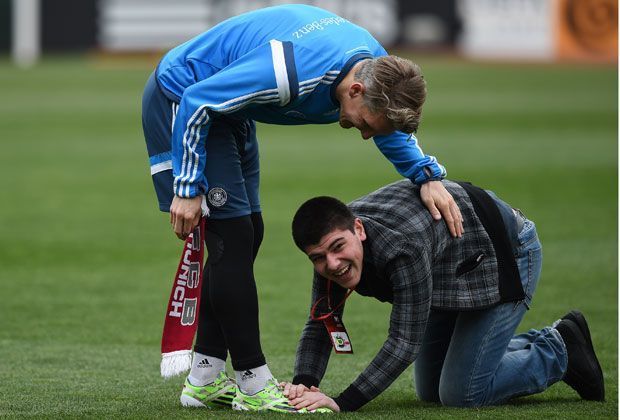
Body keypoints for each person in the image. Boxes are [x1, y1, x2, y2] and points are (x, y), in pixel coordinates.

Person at [141, 4, 463, 412]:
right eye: (366, 124)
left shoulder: (378, 69)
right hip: (184, 99)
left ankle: (203, 378)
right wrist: (187, 187)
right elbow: (198, 100)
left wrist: (427, 175)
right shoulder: (289, 72)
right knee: (232, 239)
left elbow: (389, 130)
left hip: (230, 107)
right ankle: (253, 383)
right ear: (356, 91)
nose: (366, 137)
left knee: (249, 231)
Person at [285, 179, 605, 412]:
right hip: (449, 267)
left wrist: (342, 403)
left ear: (359, 230)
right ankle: (546, 342)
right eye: (318, 257)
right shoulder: (330, 248)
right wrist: (305, 382)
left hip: (504, 253)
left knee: (461, 393)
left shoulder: (402, 249)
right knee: (430, 390)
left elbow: (403, 343)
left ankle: (559, 349)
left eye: (338, 248)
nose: (332, 264)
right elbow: (322, 320)